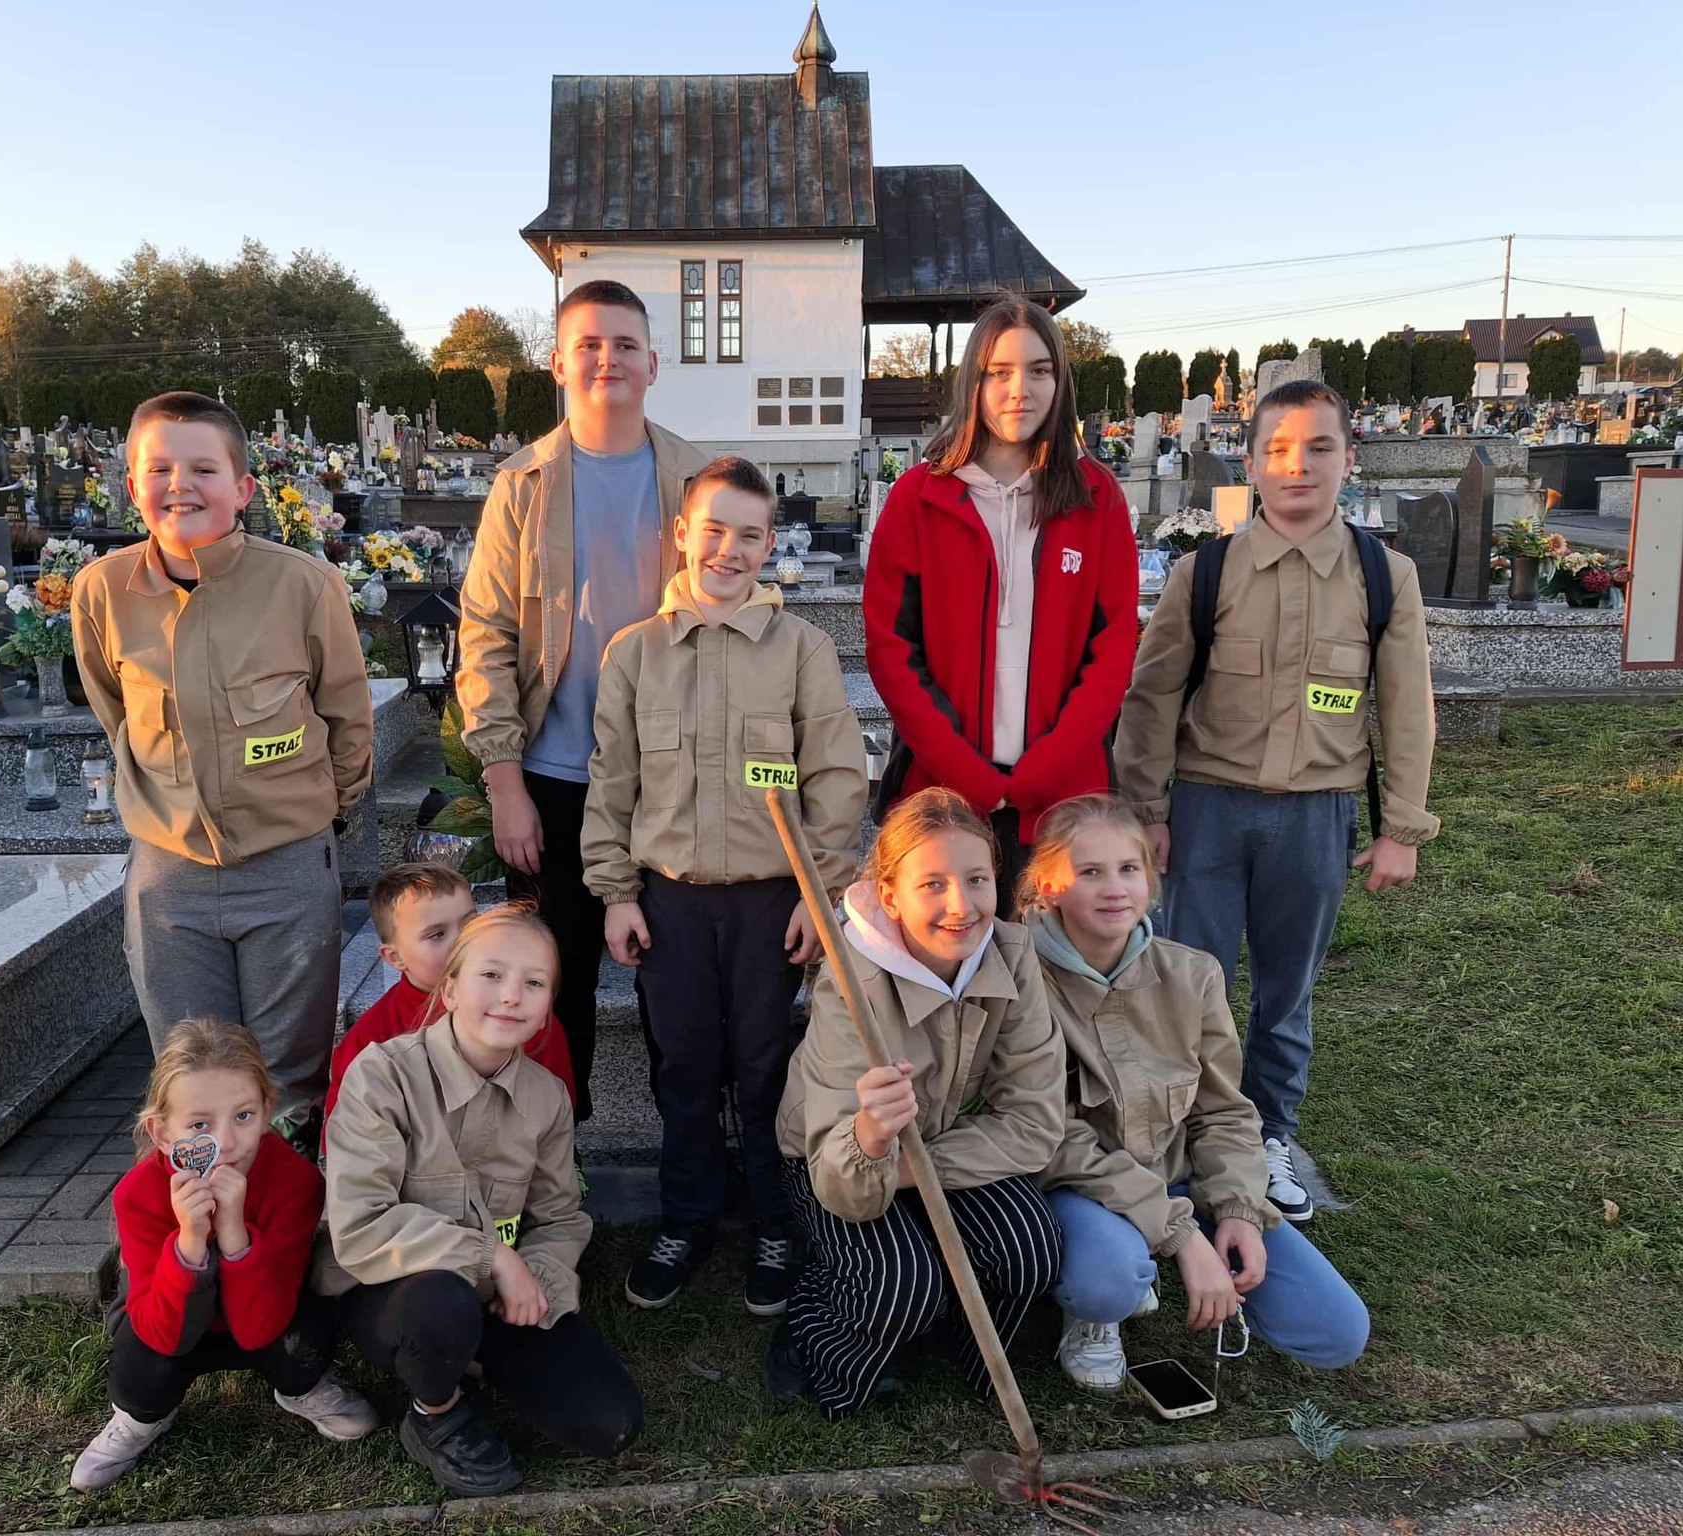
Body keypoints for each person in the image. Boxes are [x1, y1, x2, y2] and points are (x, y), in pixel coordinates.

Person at [1115, 378, 1438, 1223]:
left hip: (1316, 817)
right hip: (1208, 812)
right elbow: (1151, 699)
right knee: (1193, 983)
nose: (1301, 467)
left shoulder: (1382, 576)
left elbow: (1406, 708)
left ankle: (1269, 1136)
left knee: (1287, 994)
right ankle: (1187, 1136)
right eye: (1281, 450)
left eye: (1321, 448)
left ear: (1348, 460)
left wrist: (1400, 826)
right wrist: (1147, 811)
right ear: (1252, 463)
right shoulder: (1205, 571)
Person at [581, 455, 868, 1315]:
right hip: (669, 900)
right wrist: (617, 891)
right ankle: (688, 1215)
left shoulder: (801, 650)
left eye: (749, 535)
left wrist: (819, 899)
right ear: (681, 533)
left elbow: (837, 779)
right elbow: (612, 782)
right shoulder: (634, 654)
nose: (729, 550)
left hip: (769, 904)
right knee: (685, 1066)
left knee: (765, 1065)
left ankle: (776, 1222)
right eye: (713, 530)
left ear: (769, 543)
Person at [72, 392, 373, 1152]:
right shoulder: (102, 592)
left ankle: (284, 1240)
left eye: (204, 467)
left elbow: (346, 717)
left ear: (242, 488)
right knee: (192, 1081)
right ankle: (198, 1247)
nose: (182, 484)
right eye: (160, 467)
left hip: (287, 866)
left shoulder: (303, 586)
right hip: (168, 875)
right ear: (133, 484)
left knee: (288, 1080)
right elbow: (117, 713)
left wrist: (315, 820)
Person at [455, 280, 712, 1121]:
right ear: (559, 361)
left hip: (671, 776)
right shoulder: (522, 486)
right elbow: (487, 634)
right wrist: (505, 783)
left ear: (654, 364)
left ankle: (686, 1157)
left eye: (626, 344)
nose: (608, 359)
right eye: (590, 344)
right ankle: (550, 1162)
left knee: (670, 976)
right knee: (547, 984)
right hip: (555, 775)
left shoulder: (695, 481)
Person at [1022, 797, 1369, 1392]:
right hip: (1079, 1189)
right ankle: (1098, 1306)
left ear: (1152, 882)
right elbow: (1053, 1141)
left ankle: (1174, 1266)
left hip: (1177, 1175)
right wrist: (1181, 1235)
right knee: (1109, 1278)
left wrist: (1236, 1209)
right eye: (1090, 872)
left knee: (1336, 1333)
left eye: (1129, 870)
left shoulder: (1193, 973)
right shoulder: (1019, 978)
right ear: (1049, 887)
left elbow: (1224, 1110)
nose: (1114, 889)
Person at [766, 788, 1068, 1421]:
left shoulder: (1013, 956)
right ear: (890, 893)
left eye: (977, 879)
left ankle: (960, 1348)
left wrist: (914, 1169)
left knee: (1033, 1245)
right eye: (932, 884)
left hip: (934, 1149)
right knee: (901, 1284)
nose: (961, 906)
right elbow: (840, 1182)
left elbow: (1035, 1126)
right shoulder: (851, 983)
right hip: (836, 1162)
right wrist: (873, 1137)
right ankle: (819, 1333)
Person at [322, 904, 643, 1496]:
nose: (511, 996)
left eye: (534, 982)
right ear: (448, 990)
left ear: (548, 1006)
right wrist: (494, 1257)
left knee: (609, 1423)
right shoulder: (382, 1076)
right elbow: (361, 1221)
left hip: (495, 1297)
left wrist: (534, 1285)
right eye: (491, 975)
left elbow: (559, 1215)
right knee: (442, 1305)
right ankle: (435, 1414)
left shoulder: (546, 1098)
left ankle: (475, 1354)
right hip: (394, 1291)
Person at [864, 297, 1139, 894]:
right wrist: (969, 774)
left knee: (1056, 975)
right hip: (943, 790)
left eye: (1039, 370)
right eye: (1000, 372)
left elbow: (1113, 646)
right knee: (950, 967)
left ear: (1060, 381)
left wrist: (1047, 766)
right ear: (974, 381)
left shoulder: (1097, 497)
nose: (1021, 389)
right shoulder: (918, 499)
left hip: (1067, 795)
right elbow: (891, 648)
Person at [71, 1020, 378, 1492]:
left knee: (303, 1346)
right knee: (140, 1372)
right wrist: (190, 1241)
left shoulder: (295, 1181)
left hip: (264, 1318)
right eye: (199, 1125)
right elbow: (161, 1332)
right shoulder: (138, 1194)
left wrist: (235, 1234)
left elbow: (262, 1326)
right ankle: (141, 1419)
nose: (228, 1143)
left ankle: (299, 1391)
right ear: (161, 1133)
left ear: (268, 1110)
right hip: (172, 1323)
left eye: (243, 1116)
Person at [324, 862, 576, 1126]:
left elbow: (557, 1112)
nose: (461, 941)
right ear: (395, 957)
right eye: (437, 934)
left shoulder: (515, 1009)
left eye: (469, 923)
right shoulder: (373, 1037)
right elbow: (347, 1133)